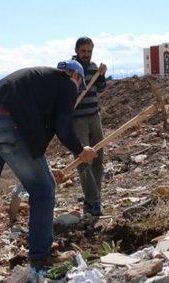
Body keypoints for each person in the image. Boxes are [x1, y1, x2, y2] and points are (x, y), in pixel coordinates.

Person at [0, 62, 97, 279]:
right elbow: (63, 128)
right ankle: (41, 257)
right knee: (43, 189)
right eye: (79, 85)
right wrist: (81, 150)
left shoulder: (39, 81)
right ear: (76, 76)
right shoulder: (68, 82)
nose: (76, 89)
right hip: (5, 123)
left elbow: (34, 136)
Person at [72, 37, 107, 216]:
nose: (86, 54)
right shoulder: (70, 69)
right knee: (84, 159)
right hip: (77, 120)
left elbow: (100, 88)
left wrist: (100, 75)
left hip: (94, 117)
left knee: (98, 156)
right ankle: (93, 200)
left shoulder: (93, 67)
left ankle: (95, 197)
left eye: (89, 51)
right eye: (83, 51)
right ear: (77, 50)